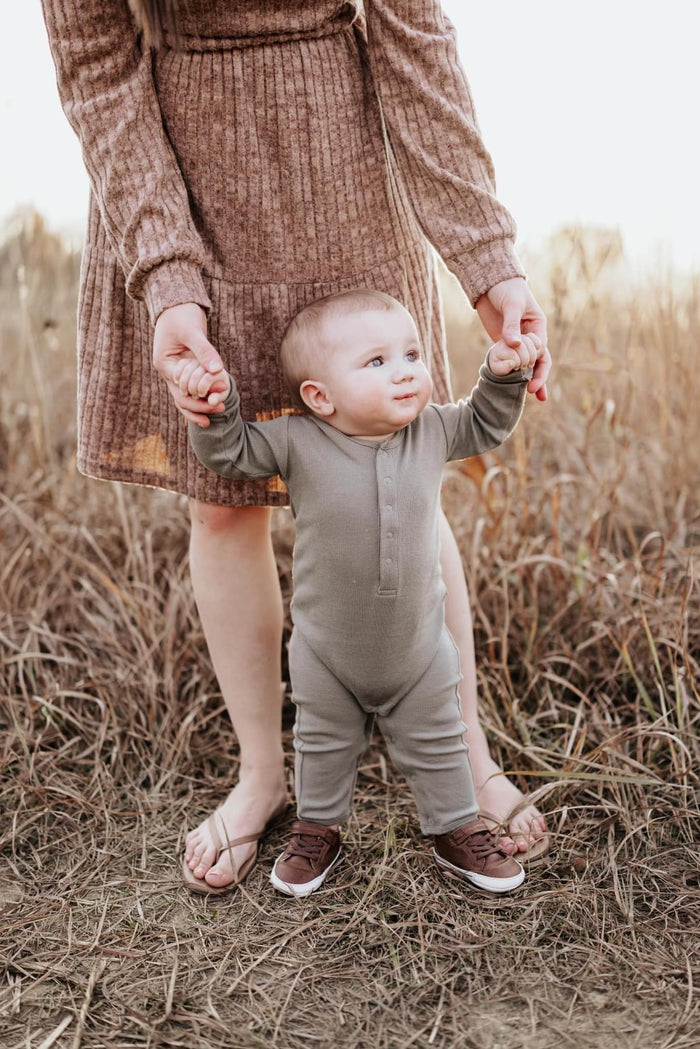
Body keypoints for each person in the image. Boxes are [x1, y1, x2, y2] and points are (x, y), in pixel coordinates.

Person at [41, 0, 551, 895]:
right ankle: (263, 773)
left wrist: (487, 261)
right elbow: (95, 63)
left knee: (401, 465)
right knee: (220, 495)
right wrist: (169, 278)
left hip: (341, 157)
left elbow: (415, 37)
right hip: (181, 175)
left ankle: (464, 754)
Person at [186, 289, 542, 896]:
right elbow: (232, 455)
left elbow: (486, 421)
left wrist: (502, 377)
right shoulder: (296, 440)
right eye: (375, 362)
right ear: (319, 396)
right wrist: (217, 410)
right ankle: (316, 832)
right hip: (327, 651)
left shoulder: (431, 429)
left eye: (409, 353)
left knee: (440, 743)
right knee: (322, 744)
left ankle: (457, 831)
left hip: (420, 649)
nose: (404, 370)